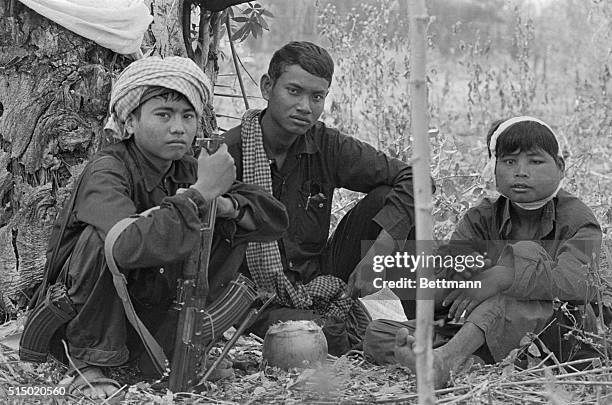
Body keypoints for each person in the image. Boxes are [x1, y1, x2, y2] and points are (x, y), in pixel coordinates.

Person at [22, 56, 288, 399]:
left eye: (188, 116)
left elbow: (275, 220)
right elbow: (128, 246)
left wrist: (222, 204)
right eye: (164, 114)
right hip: (82, 325)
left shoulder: (186, 168)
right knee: (106, 239)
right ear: (130, 122)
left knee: (223, 224)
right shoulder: (108, 169)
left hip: (144, 318)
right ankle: (89, 364)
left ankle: (177, 348)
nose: (179, 127)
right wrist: (202, 194)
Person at [364, 116, 603, 388]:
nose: (521, 172)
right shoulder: (481, 217)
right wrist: (460, 275)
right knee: (379, 333)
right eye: (509, 162)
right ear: (494, 167)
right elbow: (448, 277)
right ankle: (469, 362)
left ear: (560, 167)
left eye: (535, 162)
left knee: (521, 267)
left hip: (558, 333)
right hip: (479, 326)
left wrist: (502, 277)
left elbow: (578, 281)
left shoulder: (578, 218)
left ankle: (449, 360)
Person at [224, 41, 417, 354]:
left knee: (392, 199)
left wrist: (379, 254)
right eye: (294, 91)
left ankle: (423, 333)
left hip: (319, 276)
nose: (305, 107)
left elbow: (416, 180)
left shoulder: (327, 144)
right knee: (325, 339)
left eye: (317, 96)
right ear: (267, 87)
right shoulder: (229, 154)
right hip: (258, 295)